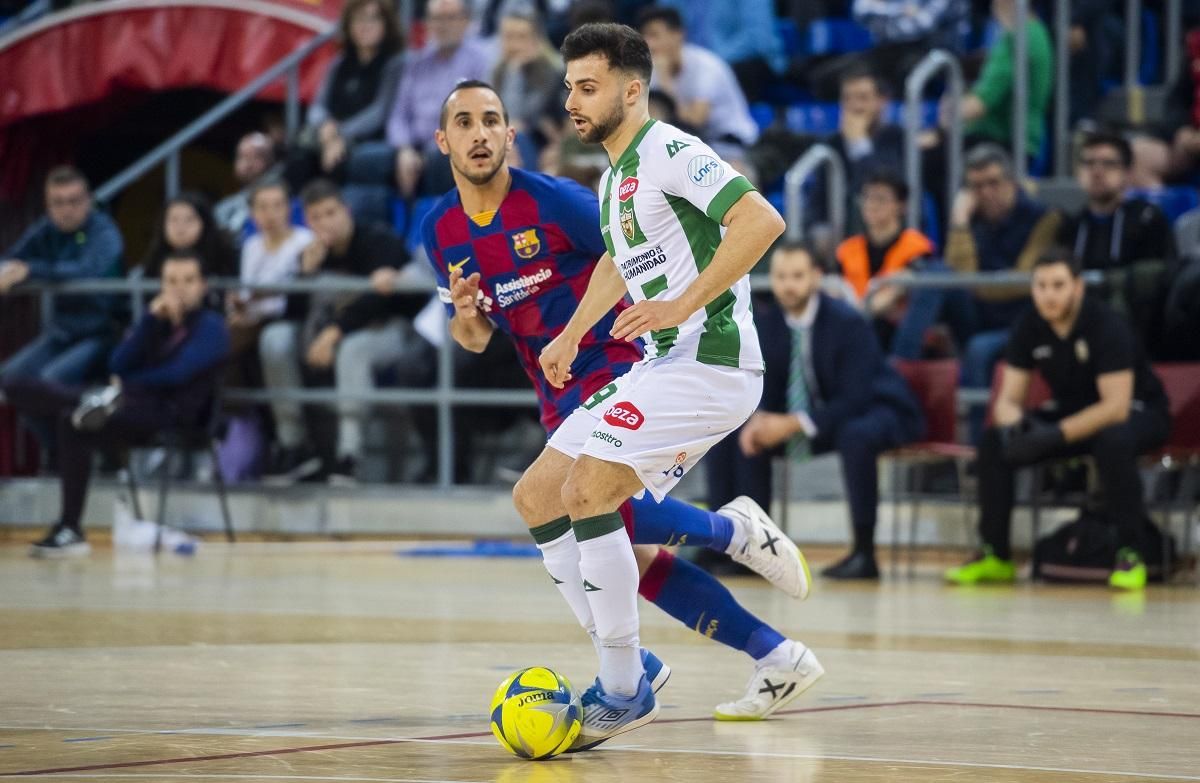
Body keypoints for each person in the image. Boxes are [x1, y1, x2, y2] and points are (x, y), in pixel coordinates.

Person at [423, 78, 819, 733]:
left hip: (620, 364)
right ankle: (774, 652)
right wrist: (465, 314)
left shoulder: (556, 201)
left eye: (492, 119)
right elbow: (472, 337)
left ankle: (633, 668)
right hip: (556, 389)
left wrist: (588, 327)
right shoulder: (439, 228)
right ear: (444, 140)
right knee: (620, 553)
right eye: (464, 122)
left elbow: (624, 251)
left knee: (562, 501)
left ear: (510, 133)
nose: (480, 133)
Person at [544, 23, 821, 746]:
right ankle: (746, 583)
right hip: (663, 363)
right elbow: (618, 260)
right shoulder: (611, 177)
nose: (571, 99)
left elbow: (761, 219)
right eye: (568, 84)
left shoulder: (671, 149)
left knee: (588, 492)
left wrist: (682, 302)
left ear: (632, 90)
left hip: (713, 361)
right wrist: (573, 333)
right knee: (540, 494)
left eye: (588, 85)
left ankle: (624, 684)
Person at [944, 250, 1171, 591]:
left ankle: (1131, 553)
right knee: (994, 442)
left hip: (1138, 411)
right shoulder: (1029, 325)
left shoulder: (1106, 324)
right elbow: (1008, 398)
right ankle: (996, 554)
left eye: (1058, 285)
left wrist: (1054, 436)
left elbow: (1115, 407)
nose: (1049, 295)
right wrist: (1020, 426)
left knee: (1113, 442)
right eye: (1041, 286)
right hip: (1073, 410)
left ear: (1077, 287)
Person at [712, 243, 923, 580]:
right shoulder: (769, 323)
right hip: (822, 418)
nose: (788, 285)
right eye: (781, 276)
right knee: (734, 432)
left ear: (816, 278)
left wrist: (792, 423)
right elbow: (764, 383)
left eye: (797, 276)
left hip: (878, 409)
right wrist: (759, 418)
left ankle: (864, 554)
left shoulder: (846, 321)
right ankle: (736, 543)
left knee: (856, 436)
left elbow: (857, 397)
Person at [0, 249, 230, 557]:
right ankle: (70, 529)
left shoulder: (212, 326)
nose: (179, 288)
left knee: (40, 393)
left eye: (188, 280)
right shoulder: (157, 321)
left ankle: (88, 398)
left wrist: (129, 385)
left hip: (175, 417)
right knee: (73, 419)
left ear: (203, 285)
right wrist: (149, 319)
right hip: (133, 409)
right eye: (171, 280)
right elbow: (119, 363)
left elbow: (178, 374)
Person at [259, 179, 417, 485]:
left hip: (392, 330)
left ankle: (349, 456)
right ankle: (294, 445)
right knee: (274, 338)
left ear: (346, 211)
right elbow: (292, 314)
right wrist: (305, 275)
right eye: (315, 217)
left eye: (331, 213)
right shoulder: (311, 254)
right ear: (306, 221)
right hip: (329, 333)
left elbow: (380, 302)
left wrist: (335, 332)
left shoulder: (377, 240)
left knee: (352, 348)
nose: (325, 223)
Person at [900, 144, 1060, 439]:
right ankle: (899, 369)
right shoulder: (971, 219)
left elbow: (1019, 284)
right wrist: (959, 221)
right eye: (977, 186)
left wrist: (973, 283)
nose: (986, 193)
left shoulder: (1044, 219)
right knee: (936, 274)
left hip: (1022, 324)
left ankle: (977, 446)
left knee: (978, 348)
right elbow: (954, 275)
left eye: (994, 183)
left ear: (1012, 182)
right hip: (978, 317)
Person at [0, 166, 125, 453]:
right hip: (62, 333)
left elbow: (88, 271)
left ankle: (92, 452)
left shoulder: (104, 230)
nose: (66, 210)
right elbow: (13, 261)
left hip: (103, 332)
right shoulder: (47, 229)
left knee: (49, 381)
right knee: (13, 380)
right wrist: (8, 272)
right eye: (58, 202)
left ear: (88, 200)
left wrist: (32, 270)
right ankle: (57, 453)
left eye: (74, 201)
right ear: (48, 205)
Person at [285, 0, 406, 192]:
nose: (365, 26)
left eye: (372, 19)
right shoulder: (339, 63)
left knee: (337, 161)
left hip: (365, 138)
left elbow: (379, 112)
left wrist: (341, 134)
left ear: (386, 24)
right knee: (298, 157)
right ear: (348, 26)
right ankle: (297, 217)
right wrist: (325, 127)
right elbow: (317, 105)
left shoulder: (394, 64)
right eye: (358, 20)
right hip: (329, 134)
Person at [386, 0, 490, 198]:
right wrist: (404, 149)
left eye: (450, 18)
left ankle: (440, 224)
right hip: (414, 147)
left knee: (438, 159)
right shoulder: (417, 62)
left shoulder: (481, 61)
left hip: (455, 145)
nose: (442, 25)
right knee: (369, 161)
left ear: (465, 21)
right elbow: (398, 115)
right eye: (436, 19)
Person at [636, 6, 758, 165]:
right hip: (695, 148)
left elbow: (695, 120)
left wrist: (666, 83)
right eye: (645, 36)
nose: (649, 44)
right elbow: (654, 120)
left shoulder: (706, 66)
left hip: (733, 147)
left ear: (678, 35)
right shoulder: (653, 70)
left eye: (655, 35)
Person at [941, 0, 1053, 163]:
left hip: (1000, 143)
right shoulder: (1038, 32)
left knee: (921, 155)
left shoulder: (1017, 38)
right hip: (1022, 140)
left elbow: (980, 104)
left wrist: (943, 124)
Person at [834, 171, 935, 350]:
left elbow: (899, 291)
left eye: (880, 199)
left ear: (901, 205)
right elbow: (834, 291)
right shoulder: (847, 249)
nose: (871, 205)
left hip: (897, 334)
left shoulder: (918, 246)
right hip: (852, 328)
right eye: (867, 197)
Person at [1057, 132, 1176, 270]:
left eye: (1108, 163)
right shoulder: (1071, 226)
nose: (1097, 172)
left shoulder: (1148, 220)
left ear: (1127, 173)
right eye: (1089, 163)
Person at [654, 0, 785, 103]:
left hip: (743, 60)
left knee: (714, 74)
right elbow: (658, 26)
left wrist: (710, 61)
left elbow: (758, 38)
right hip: (688, 60)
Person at [140, 192, 238, 280]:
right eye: (174, 220)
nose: (180, 228)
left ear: (205, 223)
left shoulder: (224, 259)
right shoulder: (154, 261)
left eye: (189, 220)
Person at [214, 132, 277, 237]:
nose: (249, 163)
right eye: (243, 157)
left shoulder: (281, 195)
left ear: (271, 161)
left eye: (257, 157)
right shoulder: (226, 206)